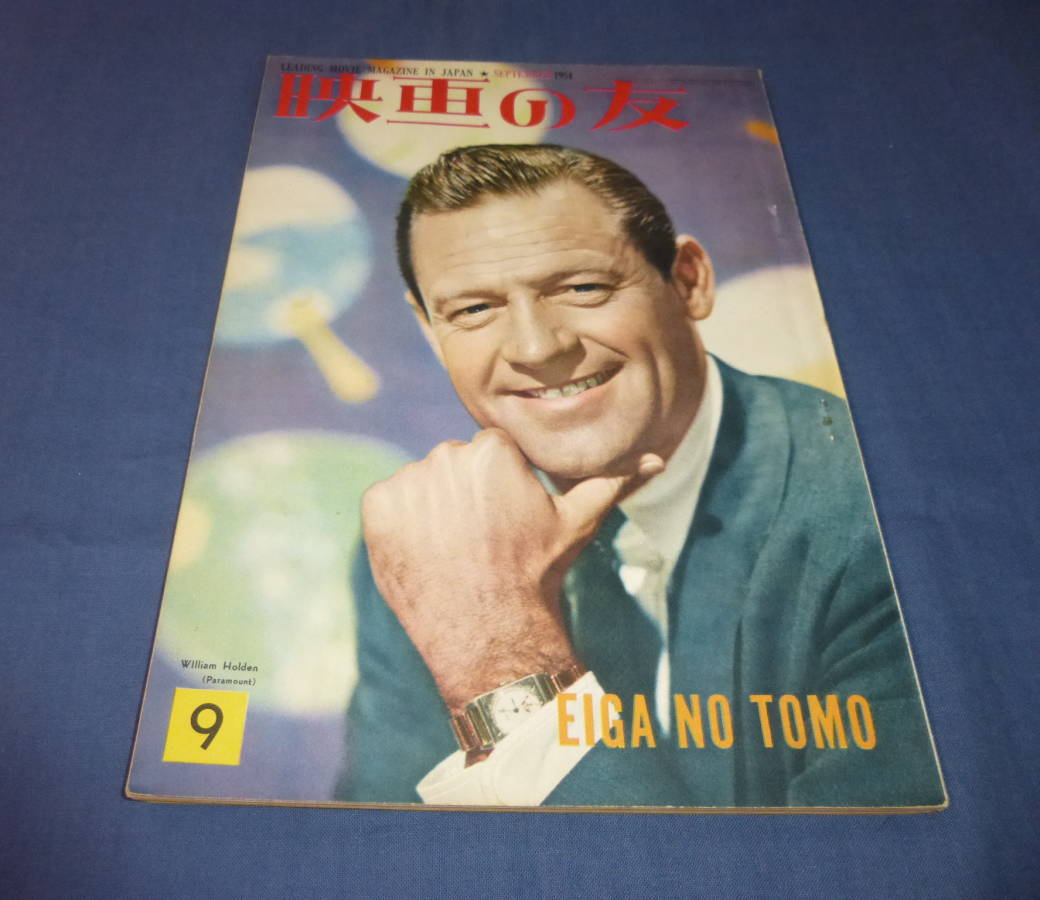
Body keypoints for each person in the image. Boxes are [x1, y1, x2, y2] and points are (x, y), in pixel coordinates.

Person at [335, 144, 944, 808]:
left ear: (688, 281)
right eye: (474, 310)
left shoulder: (876, 513)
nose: (537, 347)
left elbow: (846, 860)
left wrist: (505, 664)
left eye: (582, 288)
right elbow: (383, 836)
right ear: (430, 329)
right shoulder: (433, 540)